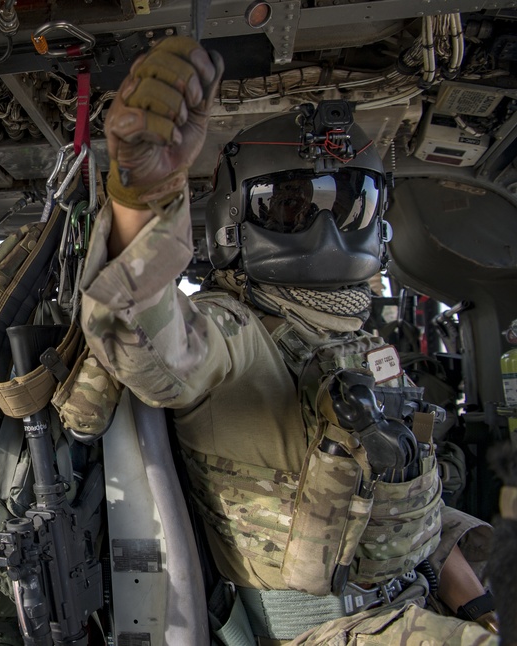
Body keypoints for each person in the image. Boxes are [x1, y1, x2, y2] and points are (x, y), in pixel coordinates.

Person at [81, 36, 500, 644]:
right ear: (232, 221)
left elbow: (411, 516)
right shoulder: (238, 334)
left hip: (412, 600)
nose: (326, 225)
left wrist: (479, 604)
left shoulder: (356, 341)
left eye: (353, 202)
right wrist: (141, 195)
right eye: (289, 206)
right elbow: (138, 328)